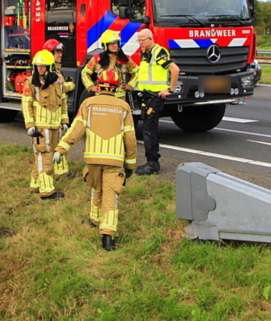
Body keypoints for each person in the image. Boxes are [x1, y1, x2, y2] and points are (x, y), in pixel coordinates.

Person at [54, 69, 137, 251]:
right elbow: (130, 138)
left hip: (92, 157)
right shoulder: (124, 107)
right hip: (114, 159)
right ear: (116, 87)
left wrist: (61, 148)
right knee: (110, 195)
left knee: (96, 188)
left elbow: (76, 129)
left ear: (99, 85)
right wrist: (130, 163)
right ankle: (108, 236)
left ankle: (94, 219)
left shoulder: (88, 104)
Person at [132, 29, 179, 176]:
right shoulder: (145, 53)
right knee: (147, 128)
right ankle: (151, 161)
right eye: (138, 40)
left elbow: (175, 70)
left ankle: (152, 164)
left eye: (142, 40)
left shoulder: (158, 52)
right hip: (147, 96)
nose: (140, 43)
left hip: (155, 97)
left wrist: (170, 89)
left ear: (150, 39)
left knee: (149, 129)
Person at [23, 49, 69, 200]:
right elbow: (26, 104)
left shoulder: (59, 80)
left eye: (43, 66)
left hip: (56, 126)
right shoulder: (31, 82)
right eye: (37, 66)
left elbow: (63, 101)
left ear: (50, 67)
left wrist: (64, 121)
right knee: (45, 156)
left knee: (43, 156)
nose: (40, 68)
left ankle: (35, 184)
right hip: (41, 128)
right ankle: (47, 191)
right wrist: (30, 125)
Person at [43, 38, 74, 180]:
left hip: (58, 113)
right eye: (57, 52)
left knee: (58, 144)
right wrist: (71, 85)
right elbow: (60, 87)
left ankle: (61, 172)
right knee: (52, 146)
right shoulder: (49, 72)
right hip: (50, 116)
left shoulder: (55, 69)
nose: (60, 55)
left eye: (61, 52)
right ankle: (54, 174)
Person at [80, 31, 135, 100]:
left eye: (116, 43)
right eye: (112, 44)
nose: (115, 46)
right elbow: (84, 72)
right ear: (105, 45)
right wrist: (91, 86)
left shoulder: (125, 59)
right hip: (101, 97)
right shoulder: (97, 58)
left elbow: (137, 72)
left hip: (119, 98)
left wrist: (130, 85)